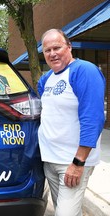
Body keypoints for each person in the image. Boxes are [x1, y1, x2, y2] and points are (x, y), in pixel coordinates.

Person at [37, 28, 105, 216]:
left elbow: (94, 118)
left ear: (69, 47)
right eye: (47, 50)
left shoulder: (84, 71)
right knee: (64, 210)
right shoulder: (46, 79)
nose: (52, 54)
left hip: (72, 161)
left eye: (57, 47)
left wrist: (78, 162)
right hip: (50, 159)